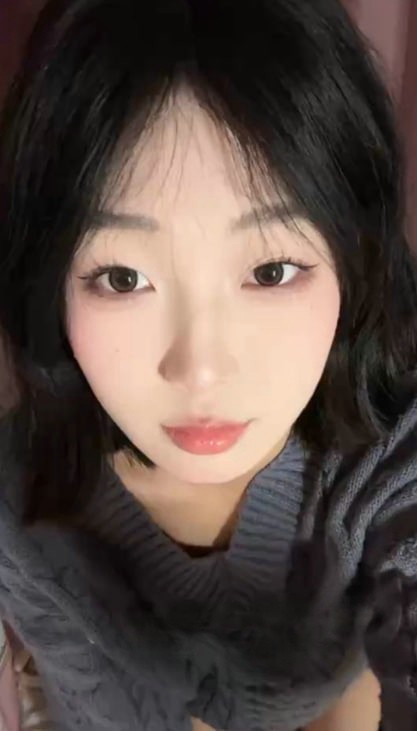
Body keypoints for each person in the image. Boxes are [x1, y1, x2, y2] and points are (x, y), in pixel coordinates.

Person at [0, 0, 416, 729]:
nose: (201, 371)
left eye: (271, 270)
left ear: (355, 260)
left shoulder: (392, 452)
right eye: (123, 278)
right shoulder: (19, 508)